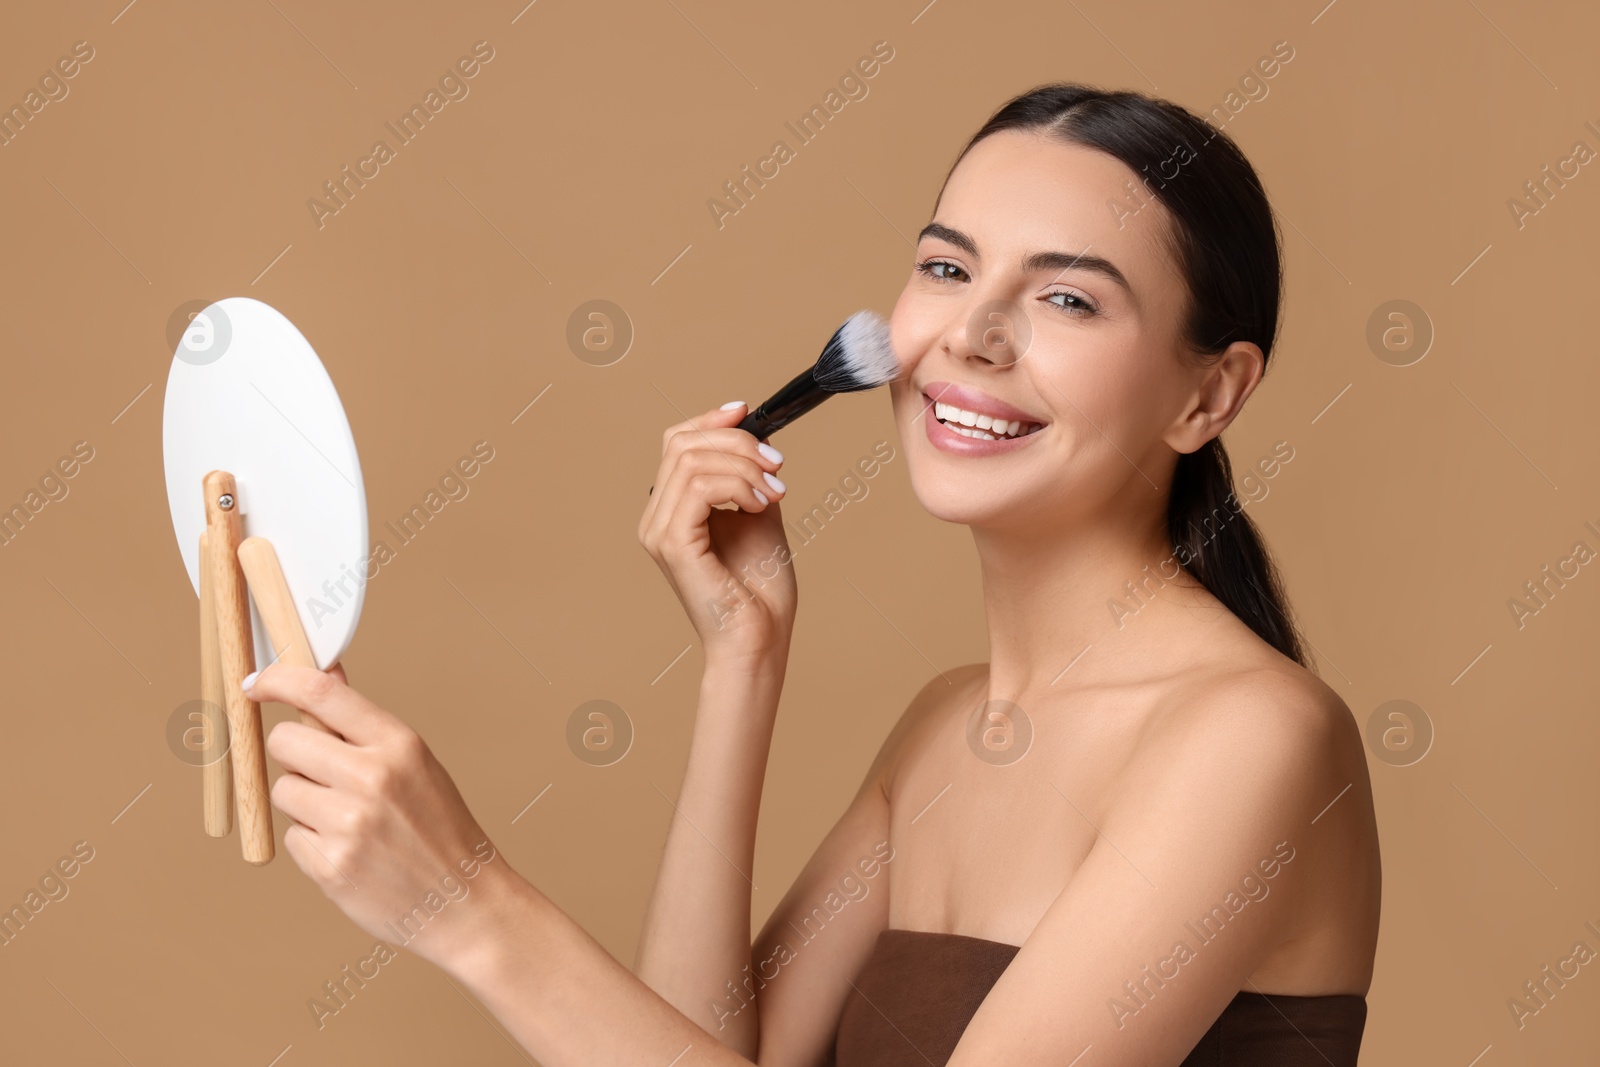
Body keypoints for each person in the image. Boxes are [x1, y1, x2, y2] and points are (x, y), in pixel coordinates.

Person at [251, 82, 1380, 1066]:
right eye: (946, 267)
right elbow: (692, 1047)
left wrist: (469, 906)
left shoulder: (1252, 737)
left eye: (1067, 297)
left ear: (1209, 395)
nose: (972, 336)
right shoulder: (945, 725)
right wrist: (741, 659)